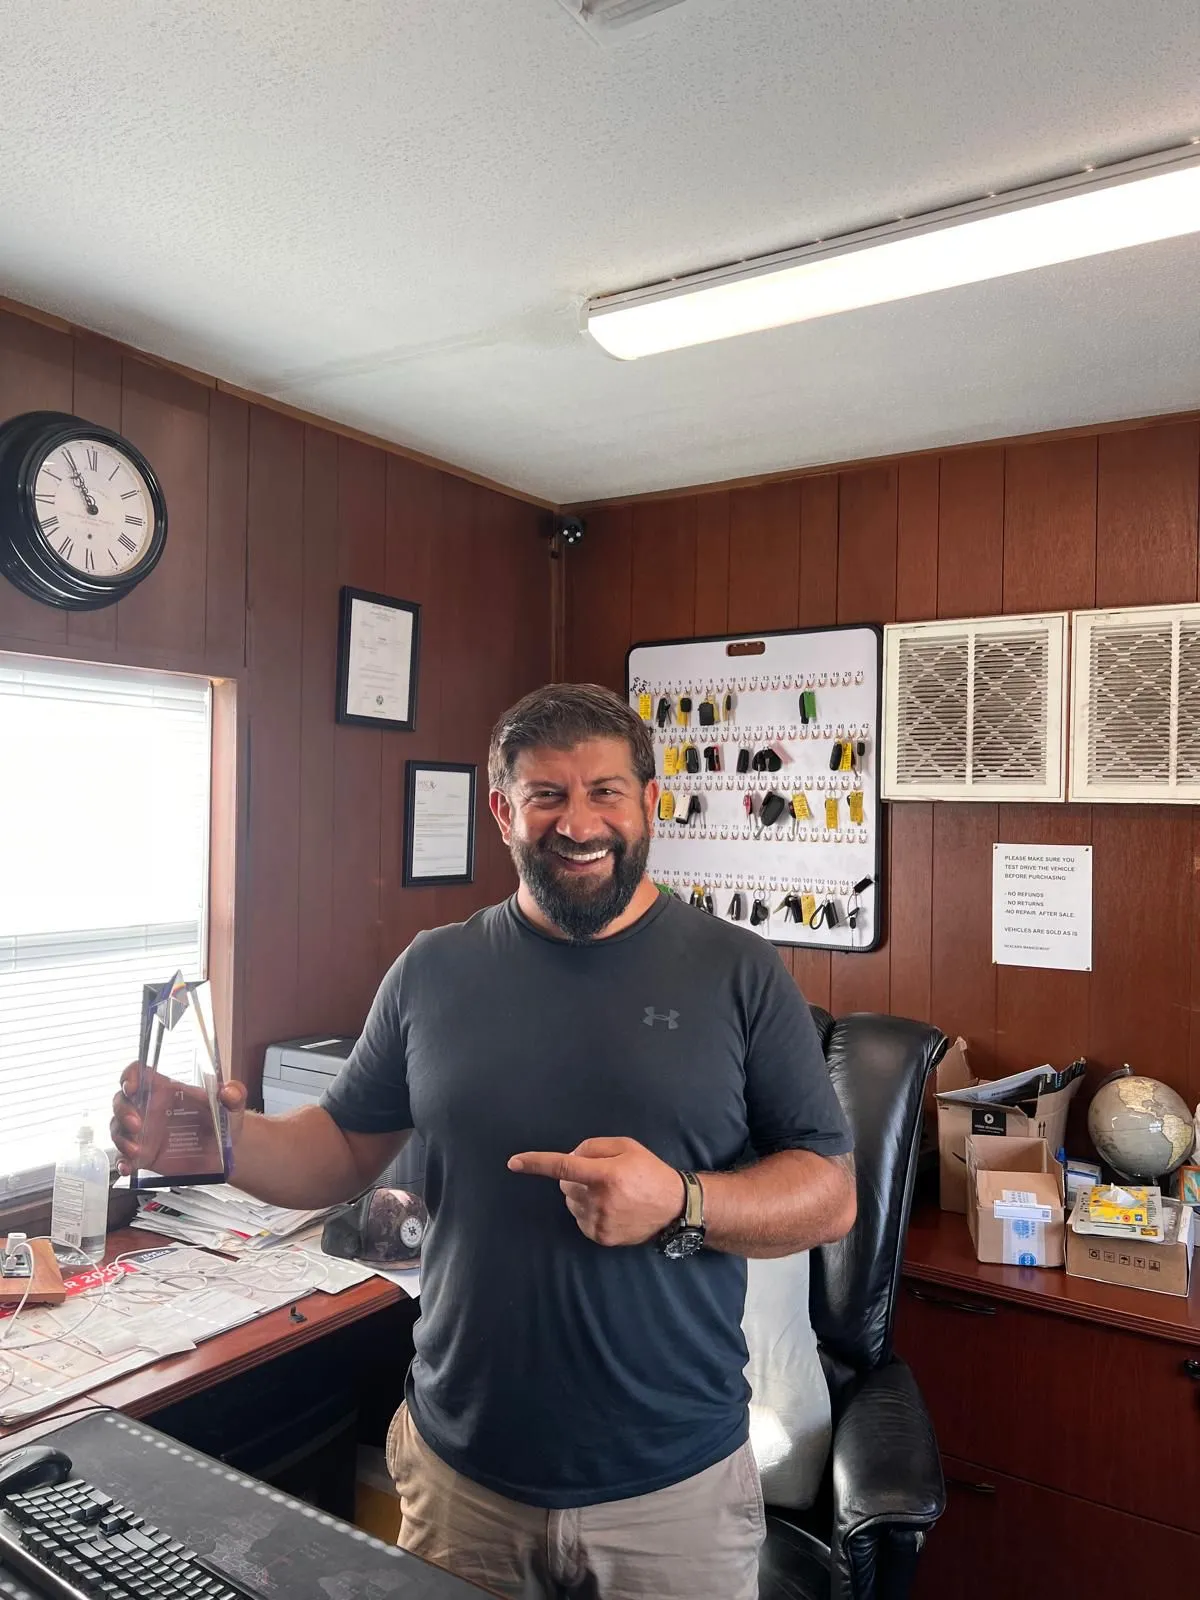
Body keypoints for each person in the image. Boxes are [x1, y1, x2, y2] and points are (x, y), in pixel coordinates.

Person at [112, 683, 856, 1600]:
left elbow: (828, 1194)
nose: (578, 823)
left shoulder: (739, 971)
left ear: (650, 803)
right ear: (503, 811)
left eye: (606, 792)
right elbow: (338, 1144)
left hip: (673, 1492)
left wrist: (683, 1201)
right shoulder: (434, 969)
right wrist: (215, 1138)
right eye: (547, 795)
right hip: (463, 1481)